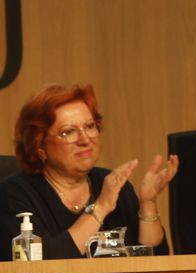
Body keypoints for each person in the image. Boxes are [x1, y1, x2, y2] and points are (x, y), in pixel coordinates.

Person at [0, 83, 176, 260]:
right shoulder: (15, 194)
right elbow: (43, 266)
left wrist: (148, 204)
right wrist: (100, 208)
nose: (85, 139)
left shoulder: (113, 185)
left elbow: (155, 260)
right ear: (40, 146)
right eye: (68, 132)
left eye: (90, 126)